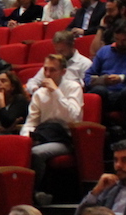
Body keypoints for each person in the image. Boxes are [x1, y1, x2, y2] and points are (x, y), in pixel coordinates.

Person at [22, 53, 85, 199]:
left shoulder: (73, 88)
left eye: (53, 70)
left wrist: (56, 91)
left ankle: (32, 193)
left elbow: (73, 117)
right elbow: (31, 122)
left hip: (65, 139)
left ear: (63, 72)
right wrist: (25, 139)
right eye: (46, 69)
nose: (48, 74)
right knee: (21, 149)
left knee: (36, 153)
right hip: (43, 135)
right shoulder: (39, 93)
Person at [23, 30, 91, 95]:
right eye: (57, 51)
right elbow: (32, 82)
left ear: (72, 46)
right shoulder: (52, 62)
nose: (59, 54)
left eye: (62, 51)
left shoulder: (85, 63)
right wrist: (36, 90)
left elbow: (83, 88)